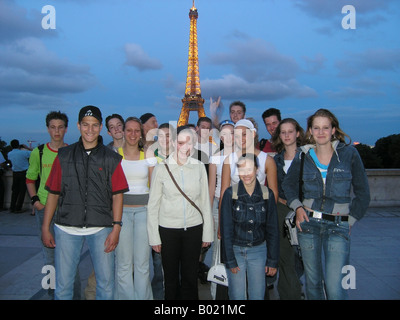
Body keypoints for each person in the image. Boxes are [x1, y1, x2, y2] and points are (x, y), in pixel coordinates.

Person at [41, 105, 129, 300]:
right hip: (66, 227)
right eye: (86, 125)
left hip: (101, 228)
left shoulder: (112, 158)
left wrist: (116, 227)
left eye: (95, 125)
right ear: (79, 126)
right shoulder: (63, 156)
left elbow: (117, 195)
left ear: (100, 128)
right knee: (63, 287)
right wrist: (46, 227)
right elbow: (53, 194)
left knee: (105, 286)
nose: (90, 129)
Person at [282, 108, 370, 300]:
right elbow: (288, 184)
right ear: (310, 131)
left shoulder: (349, 154)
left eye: (325, 127)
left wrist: (351, 219)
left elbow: (363, 192)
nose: (320, 132)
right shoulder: (303, 155)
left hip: (338, 225)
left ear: (333, 130)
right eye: (316, 128)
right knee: (312, 284)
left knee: (334, 286)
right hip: (308, 223)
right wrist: (297, 207)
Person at [147, 126, 214, 300]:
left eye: (189, 142)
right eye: (181, 142)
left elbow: (205, 202)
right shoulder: (162, 168)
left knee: (190, 277)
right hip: (168, 229)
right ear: (175, 143)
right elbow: (153, 205)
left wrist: (207, 233)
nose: (185, 146)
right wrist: (154, 236)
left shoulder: (199, 167)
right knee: (170, 279)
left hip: (193, 228)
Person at [25, 111, 82, 299]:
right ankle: (51, 294)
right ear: (47, 128)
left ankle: (74, 295)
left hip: (67, 211)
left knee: (71, 259)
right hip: (45, 211)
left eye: (60, 127)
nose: (56, 131)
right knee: (49, 259)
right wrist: (36, 202)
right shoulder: (38, 152)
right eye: (53, 127)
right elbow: (30, 179)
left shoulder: (72, 152)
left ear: (66, 129)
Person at [220, 153, 279, 300]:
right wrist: (230, 260)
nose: (246, 174)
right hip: (236, 250)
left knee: (257, 295)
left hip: (258, 252)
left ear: (257, 169)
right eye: (242, 170)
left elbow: (273, 229)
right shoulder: (230, 193)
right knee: (236, 295)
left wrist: (272, 260)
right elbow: (226, 230)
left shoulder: (267, 194)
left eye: (250, 169)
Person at [115, 116, 157, 300]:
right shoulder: (114, 155)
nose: (132, 134)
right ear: (123, 132)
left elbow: (154, 187)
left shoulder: (148, 155)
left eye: (136, 130)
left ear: (141, 133)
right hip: (120, 212)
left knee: (142, 264)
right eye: (129, 130)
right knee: (123, 263)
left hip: (143, 212)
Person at [271, 118, 305, 300]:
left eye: (290, 131)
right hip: (281, 210)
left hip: (303, 211)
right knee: (285, 257)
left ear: (298, 133)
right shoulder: (276, 159)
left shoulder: (308, 157)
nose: (286, 135)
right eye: (283, 132)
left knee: (302, 258)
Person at [220, 119, 278, 205]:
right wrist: (223, 217)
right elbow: (224, 193)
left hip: (259, 211)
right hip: (235, 212)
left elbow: (273, 194)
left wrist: (270, 216)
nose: (241, 139)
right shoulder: (229, 160)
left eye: (244, 134)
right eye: (237, 136)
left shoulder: (267, 160)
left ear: (253, 134)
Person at [208, 119, 234, 299]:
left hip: (240, 207)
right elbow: (211, 187)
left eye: (231, 132)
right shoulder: (215, 157)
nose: (228, 137)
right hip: (218, 204)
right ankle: (217, 295)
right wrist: (209, 213)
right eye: (223, 134)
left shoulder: (246, 156)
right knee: (218, 252)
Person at [8, 139, 31, 213]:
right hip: (24, 173)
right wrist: (27, 147)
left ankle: (12, 207)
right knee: (22, 191)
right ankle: (18, 208)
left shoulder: (9, 154)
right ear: (18, 145)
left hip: (15, 173)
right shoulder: (23, 153)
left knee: (15, 191)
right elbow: (34, 153)